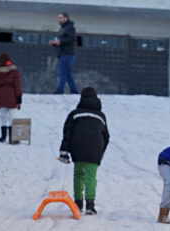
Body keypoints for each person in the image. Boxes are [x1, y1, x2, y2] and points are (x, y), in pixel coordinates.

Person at [59, 87, 109, 215]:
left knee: (78, 175)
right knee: (91, 177)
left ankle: (78, 204)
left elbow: (67, 133)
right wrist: (101, 151)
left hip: (78, 147)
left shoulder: (75, 114)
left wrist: (64, 151)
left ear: (81, 99)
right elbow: (106, 136)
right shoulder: (101, 116)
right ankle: (90, 205)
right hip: (95, 148)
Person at [0, 53, 22, 144]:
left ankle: (3, 137)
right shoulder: (14, 71)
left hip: (1, 96)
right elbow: (17, 85)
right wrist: (19, 98)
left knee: (3, 117)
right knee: (13, 117)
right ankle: (13, 138)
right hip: (12, 96)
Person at [49, 12, 79, 95]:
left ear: (66, 18)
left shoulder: (70, 28)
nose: (59, 20)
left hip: (67, 54)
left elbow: (72, 39)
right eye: (58, 18)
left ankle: (60, 90)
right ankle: (74, 91)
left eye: (60, 18)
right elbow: (62, 42)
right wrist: (55, 43)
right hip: (63, 54)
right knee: (67, 74)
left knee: (62, 72)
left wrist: (60, 42)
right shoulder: (62, 29)